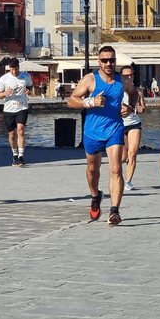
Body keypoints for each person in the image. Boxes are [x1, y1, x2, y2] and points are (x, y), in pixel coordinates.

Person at [68, 46, 138, 225]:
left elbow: (134, 93)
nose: (108, 63)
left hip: (114, 128)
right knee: (93, 169)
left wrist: (130, 108)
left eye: (111, 60)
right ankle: (95, 195)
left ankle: (114, 211)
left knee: (116, 168)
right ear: (98, 61)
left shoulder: (123, 80)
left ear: (115, 61)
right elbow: (71, 100)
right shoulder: (90, 79)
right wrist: (90, 101)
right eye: (104, 60)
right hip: (92, 131)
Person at [0, 58, 32, 167]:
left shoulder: (25, 76)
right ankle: (14, 154)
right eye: (12, 69)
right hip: (9, 109)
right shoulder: (4, 78)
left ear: (19, 67)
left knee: (20, 130)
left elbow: (30, 86)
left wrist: (29, 90)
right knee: (12, 134)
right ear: (9, 68)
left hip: (22, 107)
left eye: (16, 69)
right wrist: (5, 93)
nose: (14, 72)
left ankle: (21, 156)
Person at [120, 64, 146, 192]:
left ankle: (128, 181)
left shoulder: (138, 91)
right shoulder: (117, 90)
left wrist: (139, 109)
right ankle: (117, 176)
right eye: (126, 75)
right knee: (123, 157)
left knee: (133, 153)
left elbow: (143, 108)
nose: (129, 77)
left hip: (134, 123)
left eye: (131, 75)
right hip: (120, 125)